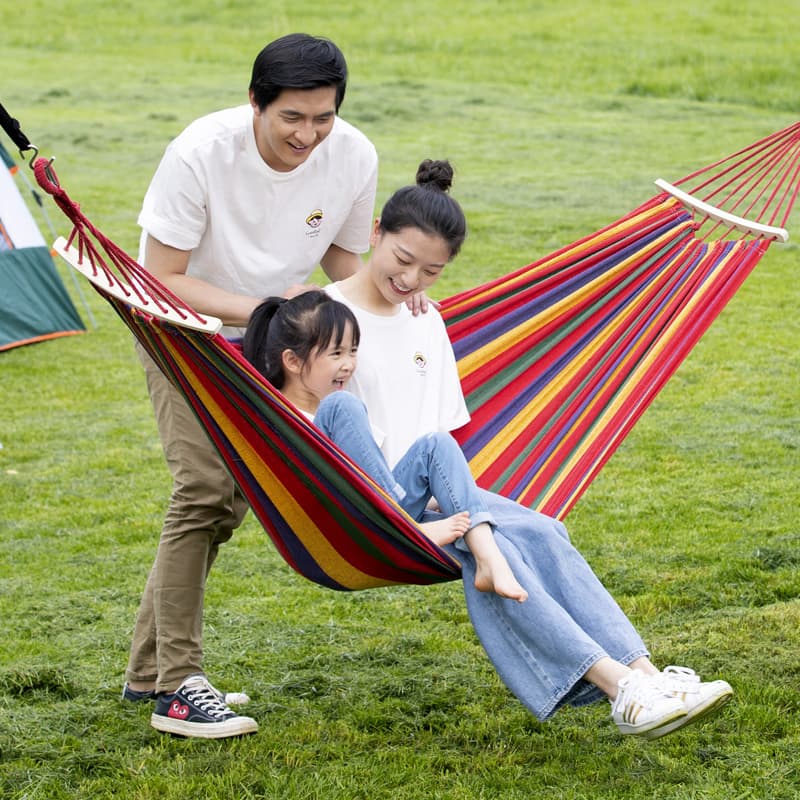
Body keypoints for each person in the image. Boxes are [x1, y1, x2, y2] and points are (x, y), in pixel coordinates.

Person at [311, 158, 733, 738]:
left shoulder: (425, 321)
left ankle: (645, 676)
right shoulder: (322, 316)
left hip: (437, 488)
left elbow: (441, 428)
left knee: (542, 530)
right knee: (503, 543)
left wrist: (451, 500)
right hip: (372, 506)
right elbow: (313, 422)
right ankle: (621, 690)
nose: (411, 281)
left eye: (431, 272)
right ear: (375, 232)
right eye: (402, 261)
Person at [123, 33, 379, 739]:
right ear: (255, 103)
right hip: (180, 332)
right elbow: (161, 278)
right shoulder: (200, 153)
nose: (309, 134)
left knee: (230, 502)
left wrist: (392, 292)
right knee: (203, 489)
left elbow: (342, 258)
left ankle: (147, 673)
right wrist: (268, 307)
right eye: (292, 117)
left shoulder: (353, 154)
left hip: (273, 342)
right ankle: (178, 683)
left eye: (322, 117)